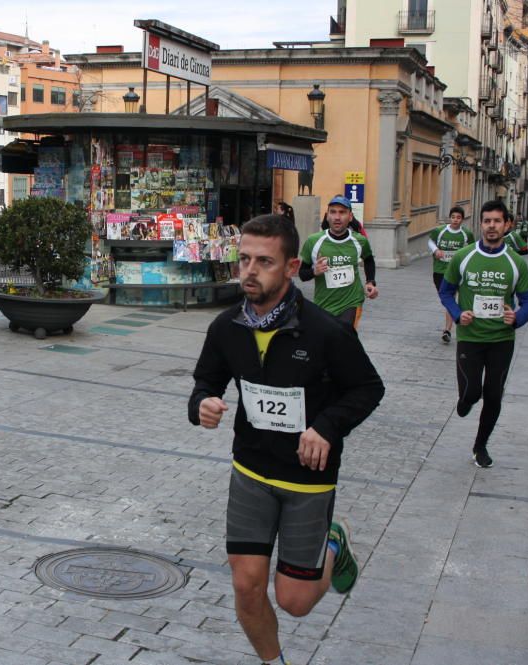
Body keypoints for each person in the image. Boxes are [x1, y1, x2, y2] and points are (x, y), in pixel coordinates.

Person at [188, 214, 384, 665]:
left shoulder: (326, 332)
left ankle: (334, 541)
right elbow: (205, 384)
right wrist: (202, 405)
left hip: (308, 481)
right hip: (251, 471)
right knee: (246, 585)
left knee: (295, 601)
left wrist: (327, 427)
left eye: (264, 262)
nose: (250, 272)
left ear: (292, 268)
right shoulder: (226, 327)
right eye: (244, 260)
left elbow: (369, 388)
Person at [438, 200, 528, 468]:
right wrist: (458, 314)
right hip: (470, 337)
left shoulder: (515, 262)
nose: (491, 226)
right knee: (471, 393)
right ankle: (465, 401)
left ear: (506, 225)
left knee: (493, 394)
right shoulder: (464, 256)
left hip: (501, 340)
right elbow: (446, 292)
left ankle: (480, 445)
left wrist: (517, 317)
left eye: (496, 221)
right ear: (480, 224)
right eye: (486, 221)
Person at [300, 196, 377, 330]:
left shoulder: (359, 241)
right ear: (327, 216)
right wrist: (314, 271)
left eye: (342, 212)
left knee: (344, 337)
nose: (337, 217)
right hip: (323, 304)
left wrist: (370, 282)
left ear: (350, 216)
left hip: (352, 301)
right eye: (333, 212)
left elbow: (369, 259)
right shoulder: (314, 241)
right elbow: (302, 274)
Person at [427, 206, 475, 344]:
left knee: (451, 298)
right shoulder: (440, 231)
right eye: (453, 217)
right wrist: (435, 250)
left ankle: (447, 330)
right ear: (450, 218)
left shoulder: (466, 234)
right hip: (440, 270)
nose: (455, 220)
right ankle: (453, 322)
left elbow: (472, 249)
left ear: (462, 219)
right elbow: (430, 241)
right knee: (446, 299)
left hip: (457, 272)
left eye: (458, 217)